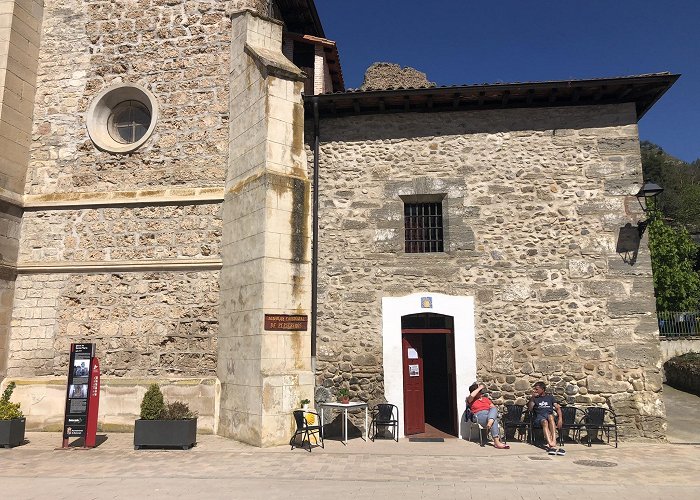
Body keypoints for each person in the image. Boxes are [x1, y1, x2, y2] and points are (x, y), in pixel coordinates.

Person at [466, 382, 509, 449]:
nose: (481, 392)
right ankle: (497, 442)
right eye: (479, 391)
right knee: (494, 420)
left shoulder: (486, 399)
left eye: (481, 391)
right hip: (478, 415)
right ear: (475, 391)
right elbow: (471, 395)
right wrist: (480, 387)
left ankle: (490, 422)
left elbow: (493, 407)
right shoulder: (470, 400)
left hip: (489, 414)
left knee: (494, 409)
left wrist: (490, 416)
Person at [528, 381, 565, 455]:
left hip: (549, 416)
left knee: (550, 416)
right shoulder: (535, 398)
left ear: (542, 389)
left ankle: (553, 441)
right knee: (545, 422)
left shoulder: (550, 397)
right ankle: (551, 444)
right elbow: (530, 409)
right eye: (535, 389)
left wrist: (560, 419)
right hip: (539, 418)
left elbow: (557, 408)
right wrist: (532, 398)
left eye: (537, 389)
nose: (535, 391)